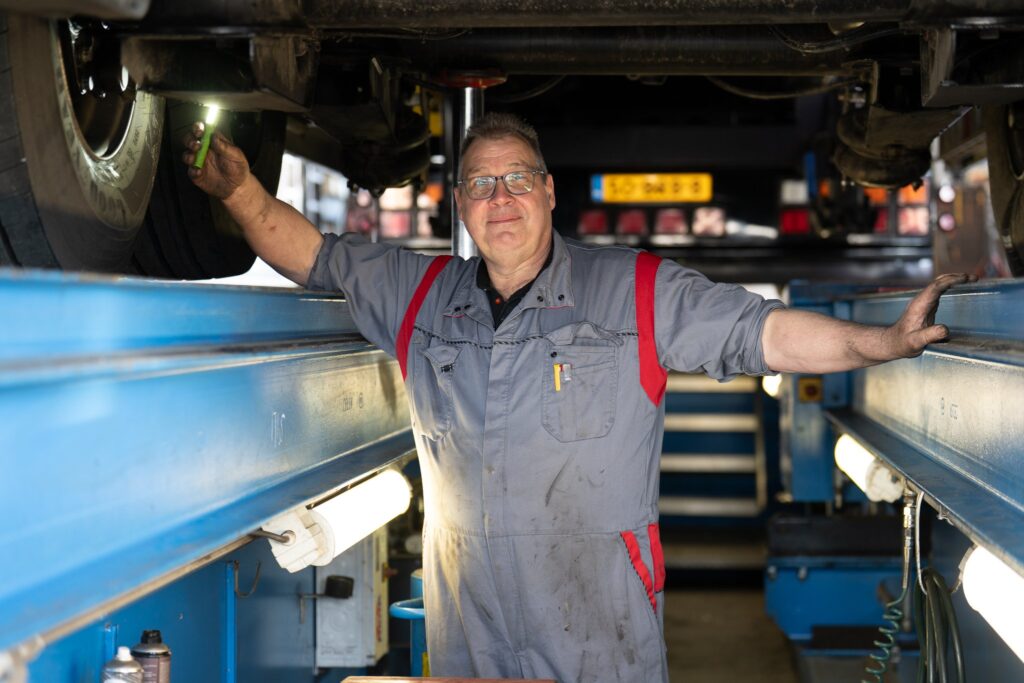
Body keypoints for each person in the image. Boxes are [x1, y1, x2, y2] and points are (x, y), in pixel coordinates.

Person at [184, 112, 969, 682]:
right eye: (481, 184)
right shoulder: (419, 295)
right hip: (471, 640)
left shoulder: (631, 290)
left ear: (549, 191)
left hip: (600, 640)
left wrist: (880, 342)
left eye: (517, 179)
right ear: (461, 205)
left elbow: (761, 333)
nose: (500, 198)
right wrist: (241, 190)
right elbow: (315, 257)